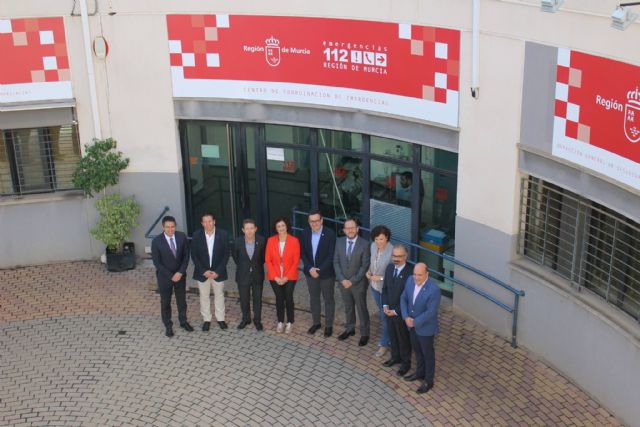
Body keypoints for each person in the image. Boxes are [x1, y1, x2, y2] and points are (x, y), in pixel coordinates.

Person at [400, 262, 441, 394]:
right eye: (415, 274)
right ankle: (419, 372)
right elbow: (403, 298)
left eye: (420, 275)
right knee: (417, 350)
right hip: (411, 325)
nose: (416, 278)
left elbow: (431, 312)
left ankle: (428, 380)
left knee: (428, 355)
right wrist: (406, 316)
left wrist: (414, 322)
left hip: (425, 329)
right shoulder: (410, 281)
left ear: (427, 274)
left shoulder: (434, 290)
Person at [151, 215, 193, 337]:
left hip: (180, 276)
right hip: (165, 278)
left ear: (175, 226)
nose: (170, 229)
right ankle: (168, 325)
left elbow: (186, 256)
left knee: (181, 300)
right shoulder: (156, 241)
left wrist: (180, 272)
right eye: (167, 227)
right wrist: (171, 276)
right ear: (163, 227)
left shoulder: (181, 237)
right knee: (165, 302)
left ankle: (183, 321)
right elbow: (157, 262)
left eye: (172, 227)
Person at [333, 218, 371, 346]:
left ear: (357, 229)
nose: (350, 230)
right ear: (344, 230)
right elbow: (336, 262)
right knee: (348, 307)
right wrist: (342, 279)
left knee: (361, 308)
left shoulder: (365, 244)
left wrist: (352, 281)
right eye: (347, 228)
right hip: (343, 283)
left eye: (352, 227)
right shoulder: (339, 242)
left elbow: (364, 266)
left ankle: (365, 333)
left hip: (358, 283)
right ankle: (350, 329)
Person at [300, 209, 337, 337]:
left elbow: (331, 255)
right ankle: (316, 323)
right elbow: (303, 253)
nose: (314, 223)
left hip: (326, 274)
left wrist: (319, 270)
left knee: (328, 300)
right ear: (308, 222)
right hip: (310, 273)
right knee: (314, 298)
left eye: (317, 220)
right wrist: (310, 268)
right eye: (312, 221)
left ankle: (328, 325)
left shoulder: (330, 234)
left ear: (322, 220)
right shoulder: (304, 233)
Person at [190, 213, 230, 331]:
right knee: (204, 296)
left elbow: (226, 255)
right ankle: (206, 319)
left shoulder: (223, 234)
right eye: (205, 222)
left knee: (219, 295)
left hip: (218, 272)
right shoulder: (196, 235)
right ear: (202, 223)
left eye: (210, 221)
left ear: (214, 221)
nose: (208, 224)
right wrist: (203, 271)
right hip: (202, 272)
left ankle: (220, 319)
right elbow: (194, 255)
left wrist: (218, 271)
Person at [381, 245, 413, 376]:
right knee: (392, 335)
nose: (396, 259)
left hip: (401, 313)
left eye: (399, 256)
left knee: (403, 338)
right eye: (394, 256)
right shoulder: (389, 268)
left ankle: (406, 363)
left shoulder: (410, 273)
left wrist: (396, 311)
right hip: (389, 311)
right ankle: (395, 357)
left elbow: (410, 298)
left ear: (405, 257)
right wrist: (385, 305)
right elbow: (385, 289)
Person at [265, 216, 300, 333]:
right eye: (278, 226)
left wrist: (286, 277)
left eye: (283, 225)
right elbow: (268, 260)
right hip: (274, 276)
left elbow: (296, 261)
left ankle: (290, 322)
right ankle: (280, 321)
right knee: (279, 298)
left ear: (287, 226)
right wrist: (275, 277)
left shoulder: (294, 241)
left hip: (290, 276)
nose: (281, 228)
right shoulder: (270, 240)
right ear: (275, 228)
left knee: (288, 298)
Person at [232, 218, 266, 331]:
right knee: (244, 299)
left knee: (257, 299)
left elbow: (263, 258)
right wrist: (245, 267)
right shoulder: (237, 242)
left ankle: (257, 320)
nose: (249, 231)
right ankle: (246, 319)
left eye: (252, 228)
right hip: (243, 275)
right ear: (243, 230)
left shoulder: (262, 241)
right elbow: (236, 258)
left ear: (255, 229)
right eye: (247, 228)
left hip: (257, 275)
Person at [365, 225, 394, 357]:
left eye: (381, 239)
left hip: (385, 290)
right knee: (384, 315)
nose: (378, 242)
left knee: (385, 316)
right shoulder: (373, 246)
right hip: (374, 287)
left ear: (387, 238)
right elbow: (373, 263)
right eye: (376, 239)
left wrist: (380, 278)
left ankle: (384, 344)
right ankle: (391, 338)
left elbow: (393, 274)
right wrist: (369, 271)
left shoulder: (392, 251)